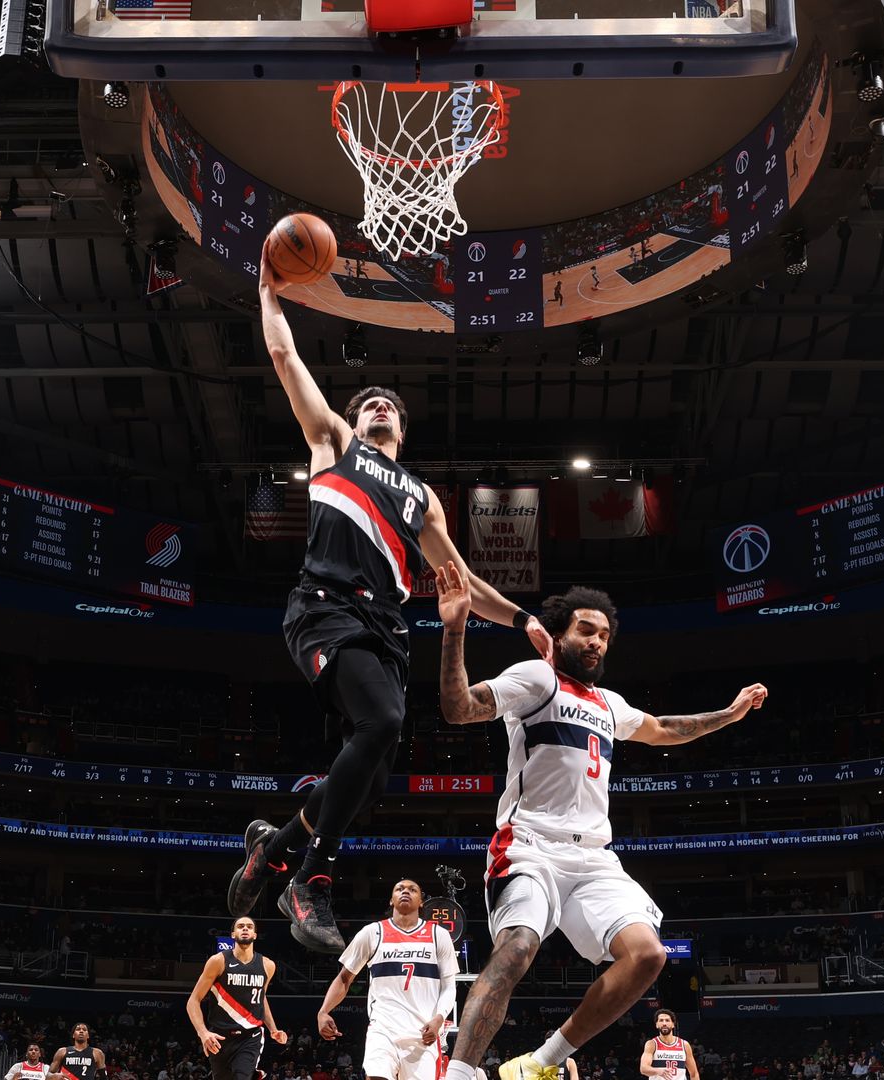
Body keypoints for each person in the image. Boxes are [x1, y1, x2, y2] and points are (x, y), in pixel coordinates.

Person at [228, 242, 551, 952]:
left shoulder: (423, 497)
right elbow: (286, 360)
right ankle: (309, 879)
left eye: (389, 407)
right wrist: (268, 294)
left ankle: (273, 844)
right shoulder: (334, 442)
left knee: (372, 782)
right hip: (325, 607)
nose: (378, 407)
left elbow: (462, 577)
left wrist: (523, 616)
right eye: (369, 401)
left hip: (386, 631)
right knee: (379, 724)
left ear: (402, 431)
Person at [432, 570, 767, 1080]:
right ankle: (457, 1074)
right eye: (586, 630)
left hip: (593, 857)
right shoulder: (538, 678)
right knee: (518, 946)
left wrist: (730, 713)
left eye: (605, 635)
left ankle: (539, 1064)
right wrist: (455, 629)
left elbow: (663, 729)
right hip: (529, 844)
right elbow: (458, 709)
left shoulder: (610, 705)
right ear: (559, 634)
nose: (596, 641)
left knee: (648, 955)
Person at [317, 880, 457, 1080]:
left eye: (412, 889)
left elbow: (449, 987)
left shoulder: (439, 935)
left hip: (423, 1033)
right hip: (383, 1029)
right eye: (399, 889)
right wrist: (323, 1011)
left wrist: (439, 1018)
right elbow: (344, 978)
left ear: (421, 902)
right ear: (391, 900)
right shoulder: (372, 933)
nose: (405, 891)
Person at [189, 916, 289, 1080]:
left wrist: (273, 1029)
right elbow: (193, 1001)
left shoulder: (267, 965)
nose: (245, 929)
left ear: (255, 935)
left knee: (241, 1076)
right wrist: (203, 1033)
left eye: (249, 926)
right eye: (240, 926)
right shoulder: (218, 961)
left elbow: (261, 998)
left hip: (250, 1036)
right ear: (233, 934)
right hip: (220, 1036)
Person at [639, 1012, 697, 1080]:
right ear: (656, 1025)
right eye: (661, 1020)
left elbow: (694, 1074)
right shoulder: (652, 1044)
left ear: (673, 1024)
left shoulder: (684, 1045)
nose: (664, 1023)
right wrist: (658, 1071)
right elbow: (643, 1068)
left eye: (667, 1020)